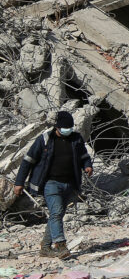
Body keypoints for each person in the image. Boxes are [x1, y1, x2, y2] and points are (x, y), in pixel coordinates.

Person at [13, 111, 93, 259]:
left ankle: (45, 247)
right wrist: (19, 183)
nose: (67, 131)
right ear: (57, 127)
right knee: (56, 212)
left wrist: (87, 165)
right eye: (64, 128)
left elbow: (84, 156)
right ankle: (61, 246)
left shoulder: (76, 138)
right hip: (51, 183)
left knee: (58, 214)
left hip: (70, 183)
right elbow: (28, 161)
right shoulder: (44, 139)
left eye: (70, 128)